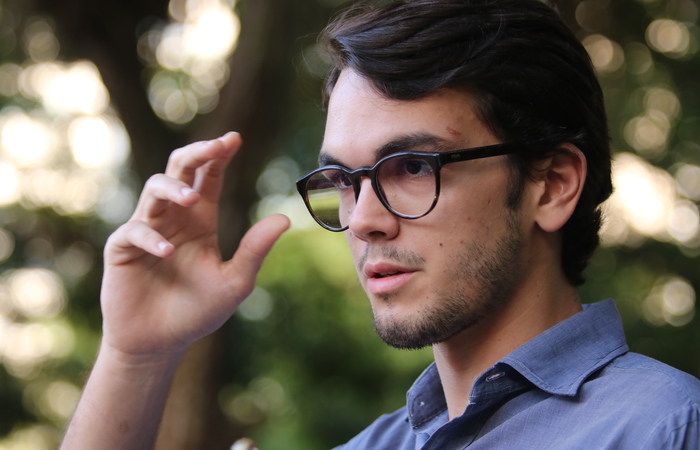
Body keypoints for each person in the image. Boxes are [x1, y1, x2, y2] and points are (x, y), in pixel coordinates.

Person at [61, 0, 700, 449]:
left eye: (412, 166)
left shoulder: (668, 428)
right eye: (343, 180)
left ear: (552, 184)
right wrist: (135, 356)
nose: (363, 220)